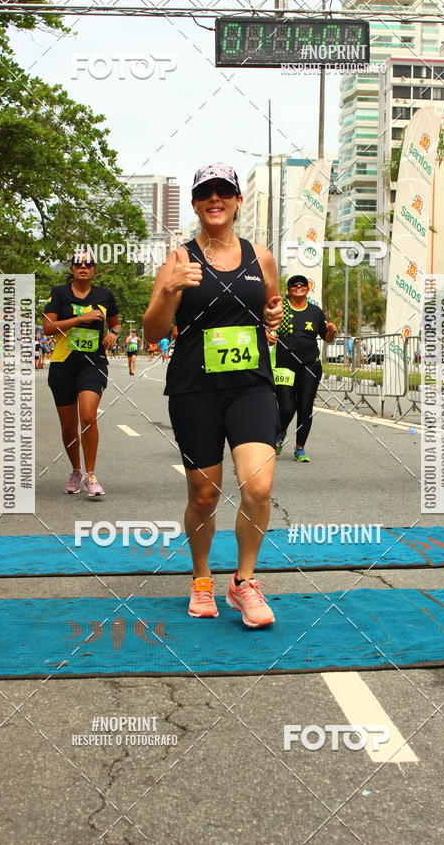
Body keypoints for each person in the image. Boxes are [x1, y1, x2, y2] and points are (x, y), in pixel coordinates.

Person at [144, 162, 283, 628]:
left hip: (251, 385)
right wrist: (168, 291)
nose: (215, 199)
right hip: (194, 386)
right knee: (204, 495)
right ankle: (202, 577)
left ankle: (244, 583)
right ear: (196, 204)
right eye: (206, 193)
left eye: (224, 192)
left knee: (258, 485)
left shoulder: (260, 256)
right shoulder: (179, 258)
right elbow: (154, 331)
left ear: (238, 200)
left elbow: (271, 309)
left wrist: (273, 321)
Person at [42, 251, 121, 497]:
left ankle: (91, 474)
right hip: (63, 364)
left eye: (88, 264)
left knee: (88, 416)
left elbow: (115, 322)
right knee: (68, 425)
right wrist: (81, 318)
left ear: (94, 269)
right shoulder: (59, 293)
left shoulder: (105, 295)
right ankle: (75, 470)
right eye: (78, 263)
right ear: (72, 268)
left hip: (93, 363)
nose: (83, 267)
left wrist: (114, 334)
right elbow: (48, 328)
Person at [271, 274, 338, 463]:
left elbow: (328, 337)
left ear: (307, 289)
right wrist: (268, 336)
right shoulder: (280, 309)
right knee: (286, 408)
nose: (298, 287)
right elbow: (267, 329)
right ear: (289, 289)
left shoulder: (316, 312)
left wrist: (332, 332)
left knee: (305, 407)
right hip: (284, 365)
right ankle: (280, 432)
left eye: (302, 285)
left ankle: (300, 448)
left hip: (310, 365)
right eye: (294, 285)